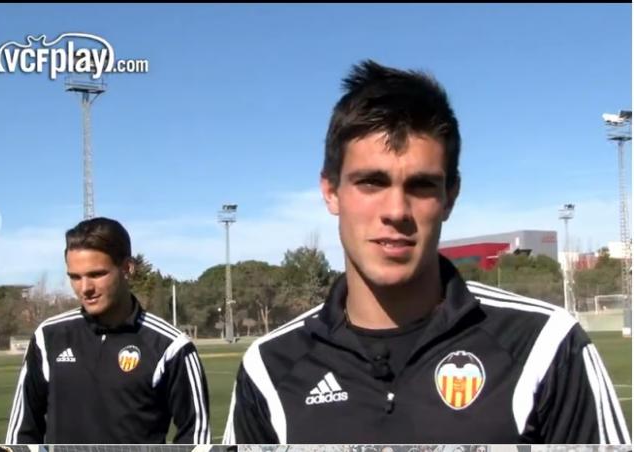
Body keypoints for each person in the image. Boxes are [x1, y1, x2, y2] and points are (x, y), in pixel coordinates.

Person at [223, 60, 630, 444]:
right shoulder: (270, 367)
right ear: (331, 191)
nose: (396, 211)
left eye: (421, 186)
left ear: (450, 196)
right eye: (371, 183)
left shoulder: (545, 345)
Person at [6, 217, 210, 444]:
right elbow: (21, 434)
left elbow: (195, 439)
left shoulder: (171, 347)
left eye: (96, 274)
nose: (85, 288)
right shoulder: (49, 337)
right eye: (75, 277)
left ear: (127, 268)